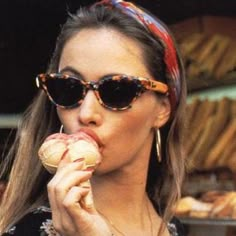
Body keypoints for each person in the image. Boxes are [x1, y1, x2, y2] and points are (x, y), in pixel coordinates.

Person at [0, 0, 187, 235]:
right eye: (67, 87)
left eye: (117, 91)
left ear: (163, 108)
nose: (86, 113)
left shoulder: (170, 225)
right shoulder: (29, 231)